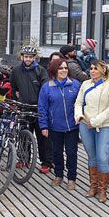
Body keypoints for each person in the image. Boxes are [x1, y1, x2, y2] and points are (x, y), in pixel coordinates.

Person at [75, 60, 109, 203]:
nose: (92, 71)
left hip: (104, 125)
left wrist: (95, 121)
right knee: (92, 157)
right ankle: (93, 187)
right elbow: (78, 103)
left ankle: (103, 190)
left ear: (103, 71)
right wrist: (79, 115)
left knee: (102, 157)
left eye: (96, 69)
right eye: (91, 68)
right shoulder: (85, 84)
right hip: (85, 124)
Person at [10, 45, 54, 173]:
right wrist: (17, 99)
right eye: (26, 57)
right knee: (23, 135)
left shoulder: (41, 70)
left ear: (34, 58)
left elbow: (45, 90)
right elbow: (14, 88)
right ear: (22, 57)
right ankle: (24, 159)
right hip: (23, 107)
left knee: (43, 137)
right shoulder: (16, 70)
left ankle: (46, 162)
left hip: (38, 108)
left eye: (30, 57)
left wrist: (43, 106)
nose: (28, 59)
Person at [38, 58, 81, 190]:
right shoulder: (47, 87)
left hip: (72, 127)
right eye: (60, 68)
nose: (63, 70)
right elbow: (42, 107)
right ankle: (58, 175)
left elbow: (82, 103)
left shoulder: (75, 84)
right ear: (54, 70)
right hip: (54, 126)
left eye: (65, 68)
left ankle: (72, 178)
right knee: (56, 152)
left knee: (71, 153)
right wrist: (43, 126)